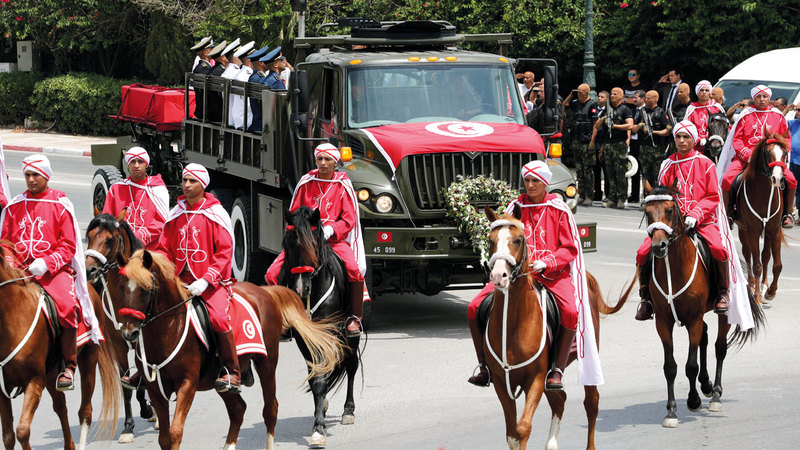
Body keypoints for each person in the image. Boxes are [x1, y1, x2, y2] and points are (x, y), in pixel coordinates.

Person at [465, 160, 602, 390]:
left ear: (545, 183)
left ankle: (556, 369)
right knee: (473, 307)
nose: (530, 185)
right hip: (517, 276)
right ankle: (484, 366)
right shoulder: (514, 208)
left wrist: (547, 263)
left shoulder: (558, 209)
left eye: (535, 181)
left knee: (569, 310)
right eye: (527, 181)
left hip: (552, 275)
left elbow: (569, 248)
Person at [0, 155, 99, 391]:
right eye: (27, 175)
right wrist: (11, 263)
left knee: (66, 304)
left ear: (46, 176)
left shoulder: (60, 204)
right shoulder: (15, 205)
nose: (31, 180)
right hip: (20, 270)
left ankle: (69, 365)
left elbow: (68, 245)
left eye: (36, 175)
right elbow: (5, 241)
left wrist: (46, 263)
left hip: (53, 271)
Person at [635, 121, 735, 320]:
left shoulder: (706, 164)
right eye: (678, 137)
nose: (681, 141)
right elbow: (661, 195)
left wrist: (696, 214)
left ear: (694, 139)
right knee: (642, 252)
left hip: (702, 220)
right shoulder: (667, 164)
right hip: (671, 222)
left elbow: (713, 196)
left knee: (719, 249)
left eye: (686, 137)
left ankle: (722, 293)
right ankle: (646, 298)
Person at [265, 144, 367, 337]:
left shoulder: (342, 184)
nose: (322, 163)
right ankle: (281, 317)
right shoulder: (306, 182)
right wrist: (299, 233)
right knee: (272, 273)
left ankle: (354, 317)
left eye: (327, 159)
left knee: (354, 270)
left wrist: (331, 229)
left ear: (335, 162)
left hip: (333, 240)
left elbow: (349, 218)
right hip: (305, 241)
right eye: (319, 159)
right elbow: (294, 214)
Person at [156, 163, 240, 393]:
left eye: (192, 181)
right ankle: (146, 368)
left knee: (219, 319)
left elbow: (225, 252)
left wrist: (206, 280)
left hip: (211, 283)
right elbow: (164, 249)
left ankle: (231, 370)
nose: (186, 185)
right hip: (179, 280)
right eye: (184, 180)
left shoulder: (216, 213)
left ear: (203, 185)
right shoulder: (176, 213)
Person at [718, 85, 796, 228]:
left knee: (791, 179)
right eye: (758, 96)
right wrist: (747, 155)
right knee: (727, 179)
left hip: (771, 158)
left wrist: (779, 153)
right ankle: (729, 213)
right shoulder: (745, 115)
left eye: (764, 96)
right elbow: (737, 139)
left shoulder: (778, 116)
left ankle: (787, 213)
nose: (761, 99)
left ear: (769, 98)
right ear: (754, 98)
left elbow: (786, 139)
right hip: (745, 158)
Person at [101, 147, 170, 249]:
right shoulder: (116, 188)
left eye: (140, 161)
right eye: (132, 161)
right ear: (128, 164)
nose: (136, 165)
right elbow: (107, 219)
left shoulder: (157, 189)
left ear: (146, 164)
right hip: (121, 246)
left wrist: (137, 238)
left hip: (152, 247)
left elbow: (161, 222)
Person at [590, 87, 633, 209]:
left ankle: (621, 197)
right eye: (611, 93)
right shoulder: (607, 110)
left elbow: (630, 124)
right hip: (607, 144)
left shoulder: (625, 109)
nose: (612, 95)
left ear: (620, 96)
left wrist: (615, 126)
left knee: (620, 172)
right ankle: (612, 197)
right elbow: (597, 125)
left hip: (619, 144)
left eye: (615, 94)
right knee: (610, 173)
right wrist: (603, 119)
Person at [563, 83, 598, 205]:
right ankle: (582, 194)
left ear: (585, 93)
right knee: (579, 169)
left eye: (579, 92)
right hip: (576, 140)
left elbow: (595, 124)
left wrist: (592, 141)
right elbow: (565, 104)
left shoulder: (592, 104)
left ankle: (589, 195)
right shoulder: (576, 102)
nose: (577, 94)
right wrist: (571, 94)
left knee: (587, 169)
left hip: (586, 141)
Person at [632, 90, 671, 194]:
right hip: (644, 148)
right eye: (645, 97)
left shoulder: (661, 112)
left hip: (656, 148)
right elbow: (633, 129)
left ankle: (657, 196)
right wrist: (641, 125)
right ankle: (646, 197)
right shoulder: (642, 112)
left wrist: (654, 132)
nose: (646, 99)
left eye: (648, 98)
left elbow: (667, 131)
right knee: (645, 174)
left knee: (657, 174)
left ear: (655, 99)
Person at [683, 80, 726, 152]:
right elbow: (687, 129)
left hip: (716, 144)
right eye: (701, 90)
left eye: (707, 90)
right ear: (697, 93)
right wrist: (699, 140)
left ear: (710, 93)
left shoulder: (717, 107)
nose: (704, 92)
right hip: (697, 147)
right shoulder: (692, 109)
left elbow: (725, 126)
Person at [629, 90, 646, 203]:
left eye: (636, 98)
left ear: (643, 98)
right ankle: (634, 195)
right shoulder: (633, 110)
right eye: (634, 98)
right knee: (634, 169)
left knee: (644, 170)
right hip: (633, 143)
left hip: (642, 143)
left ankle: (645, 194)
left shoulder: (645, 111)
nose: (634, 100)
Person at [788, 112, 800, 224]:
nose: (797, 112)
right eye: (797, 109)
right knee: (794, 189)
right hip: (795, 162)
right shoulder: (793, 123)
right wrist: (787, 109)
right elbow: (778, 121)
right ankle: (789, 213)